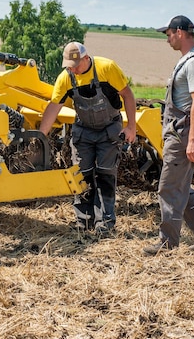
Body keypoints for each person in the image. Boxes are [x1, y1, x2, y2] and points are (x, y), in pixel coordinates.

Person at [143, 15, 194, 255]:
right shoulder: (186, 61)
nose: (167, 39)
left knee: (168, 188)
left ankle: (167, 243)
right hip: (179, 134)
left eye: (168, 34)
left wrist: (191, 141)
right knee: (180, 186)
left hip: (184, 135)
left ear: (179, 32)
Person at [39, 42, 136, 235]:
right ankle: (84, 222)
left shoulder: (107, 68)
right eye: (69, 66)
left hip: (109, 129)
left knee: (105, 174)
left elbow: (127, 95)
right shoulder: (65, 78)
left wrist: (131, 126)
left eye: (76, 65)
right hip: (84, 130)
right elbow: (53, 107)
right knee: (81, 174)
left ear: (86, 58)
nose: (73, 69)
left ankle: (105, 224)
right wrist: (40, 136)